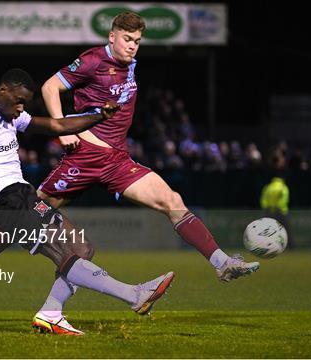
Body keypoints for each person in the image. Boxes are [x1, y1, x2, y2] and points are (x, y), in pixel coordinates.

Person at [31, 11, 258, 333]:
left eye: (137, 41)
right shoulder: (93, 60)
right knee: (33, 211)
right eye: (127, 39)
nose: (132, 46)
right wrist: (62, 128)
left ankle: (221, 263)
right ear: (112, 37)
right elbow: (50, 86)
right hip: (84, 157)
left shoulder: (130, 64)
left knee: (171, 200)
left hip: (118, 161)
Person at [0, 68, 175, 336]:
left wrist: (98, 116)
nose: (20, 108)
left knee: (81, 247)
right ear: (3, 91)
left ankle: (50, 313)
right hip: (6, 202)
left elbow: (57, 126)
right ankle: (135, 295)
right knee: (62, 254)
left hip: (24, 195)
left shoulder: (10, 116)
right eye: (18, 101)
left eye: (24, 103)